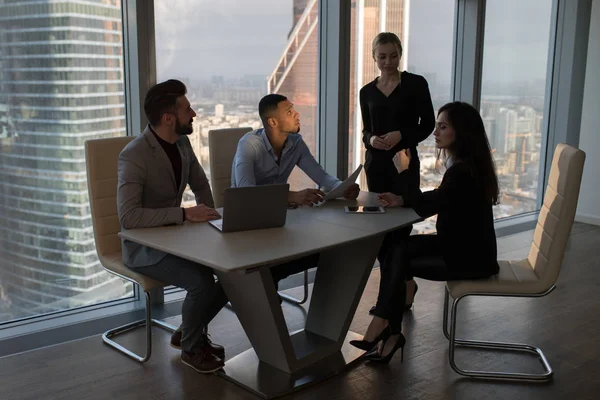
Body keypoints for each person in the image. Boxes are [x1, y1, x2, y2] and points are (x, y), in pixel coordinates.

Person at [351, 102, 500, 363]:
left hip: (470, 259)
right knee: (393, 248)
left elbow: (425, 207)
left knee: (397, 255)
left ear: (461, 132)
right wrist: (401, 198)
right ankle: (388, 328)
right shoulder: (467, 165)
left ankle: (385, 326)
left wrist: (405, 171)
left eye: (443, 127)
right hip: (459, 246)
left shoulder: (462, 171)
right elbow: (440, 198)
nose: (436, 132)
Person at [118, 79, 228, 374]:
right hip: (144, 249)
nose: (193, 113)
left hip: (178, 239)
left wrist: (215, 221)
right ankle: (192, 349)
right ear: (168, 119)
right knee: (202, 283)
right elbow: (129, 218)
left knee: (231, 275)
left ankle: (187, 332)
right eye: (187, 109)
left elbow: (201, 183)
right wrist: (183, 215)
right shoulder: (134, 155)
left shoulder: (182, 142)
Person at [231, 93, 360, 286]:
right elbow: (246, 193)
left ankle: (268, 284)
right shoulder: (249, 145)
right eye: (289, 111)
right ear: (273, 122)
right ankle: (263, 289)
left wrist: (342, 188)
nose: (297, 114)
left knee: (328, 247)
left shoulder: (295, 143)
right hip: (249, 222)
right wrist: (291, 196)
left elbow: (321, 176)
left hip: (280, 219)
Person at [359, 32, 435, 314]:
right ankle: (403, 283)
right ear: (374, 57)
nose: (388, 61)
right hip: (376, 166)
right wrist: (370, 140)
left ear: (400, 54)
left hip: (403, 163)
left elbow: (427, 124)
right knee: (379, 226)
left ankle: (393, 293)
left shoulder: (416, 84)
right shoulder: (366, 92)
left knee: (402, 226)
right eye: (382, 56)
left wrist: (400, 133)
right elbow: (366, 129)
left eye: (393, 55)